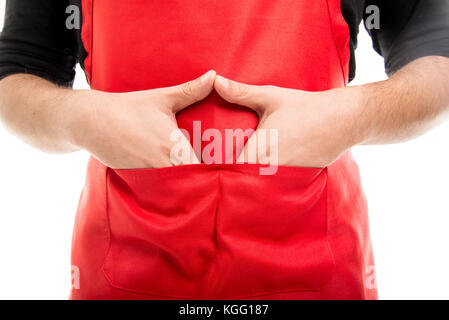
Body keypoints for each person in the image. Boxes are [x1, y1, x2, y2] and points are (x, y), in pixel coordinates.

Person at [0, 0, 448, 300]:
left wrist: (351, 116)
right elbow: (16, 70)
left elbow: (438, 58)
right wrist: (80, 118)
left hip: (316, 269)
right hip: (127, 268)